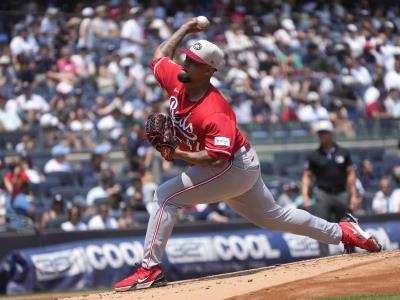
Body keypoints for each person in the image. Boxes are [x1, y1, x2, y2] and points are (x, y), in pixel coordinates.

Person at [114, 18, 381, 292]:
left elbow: (216, 158)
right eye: (186, 58)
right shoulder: (178, 80)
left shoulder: (215, 109)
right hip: (238, 163)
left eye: (192, 62)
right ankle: (344, 232)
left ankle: (149, 269)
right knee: (273, 217)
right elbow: (160, 56)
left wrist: (176, 152)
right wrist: (185, 29)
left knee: (164, 196)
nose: (185, 64)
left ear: (208, 70)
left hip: (232, 166)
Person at [301, 120, 359, 257]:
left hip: (341, 193)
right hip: (323, 193)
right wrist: (305, 196)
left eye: (325, 132)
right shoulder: (314, 156)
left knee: (347, 225)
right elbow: (306, 176)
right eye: (320, 133)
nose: (322, 135)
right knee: (321, 227)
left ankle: (352, 254)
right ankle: (324, 258)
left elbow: (351, 174)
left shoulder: (343, 152)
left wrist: (354, 195)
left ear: (331, 133)